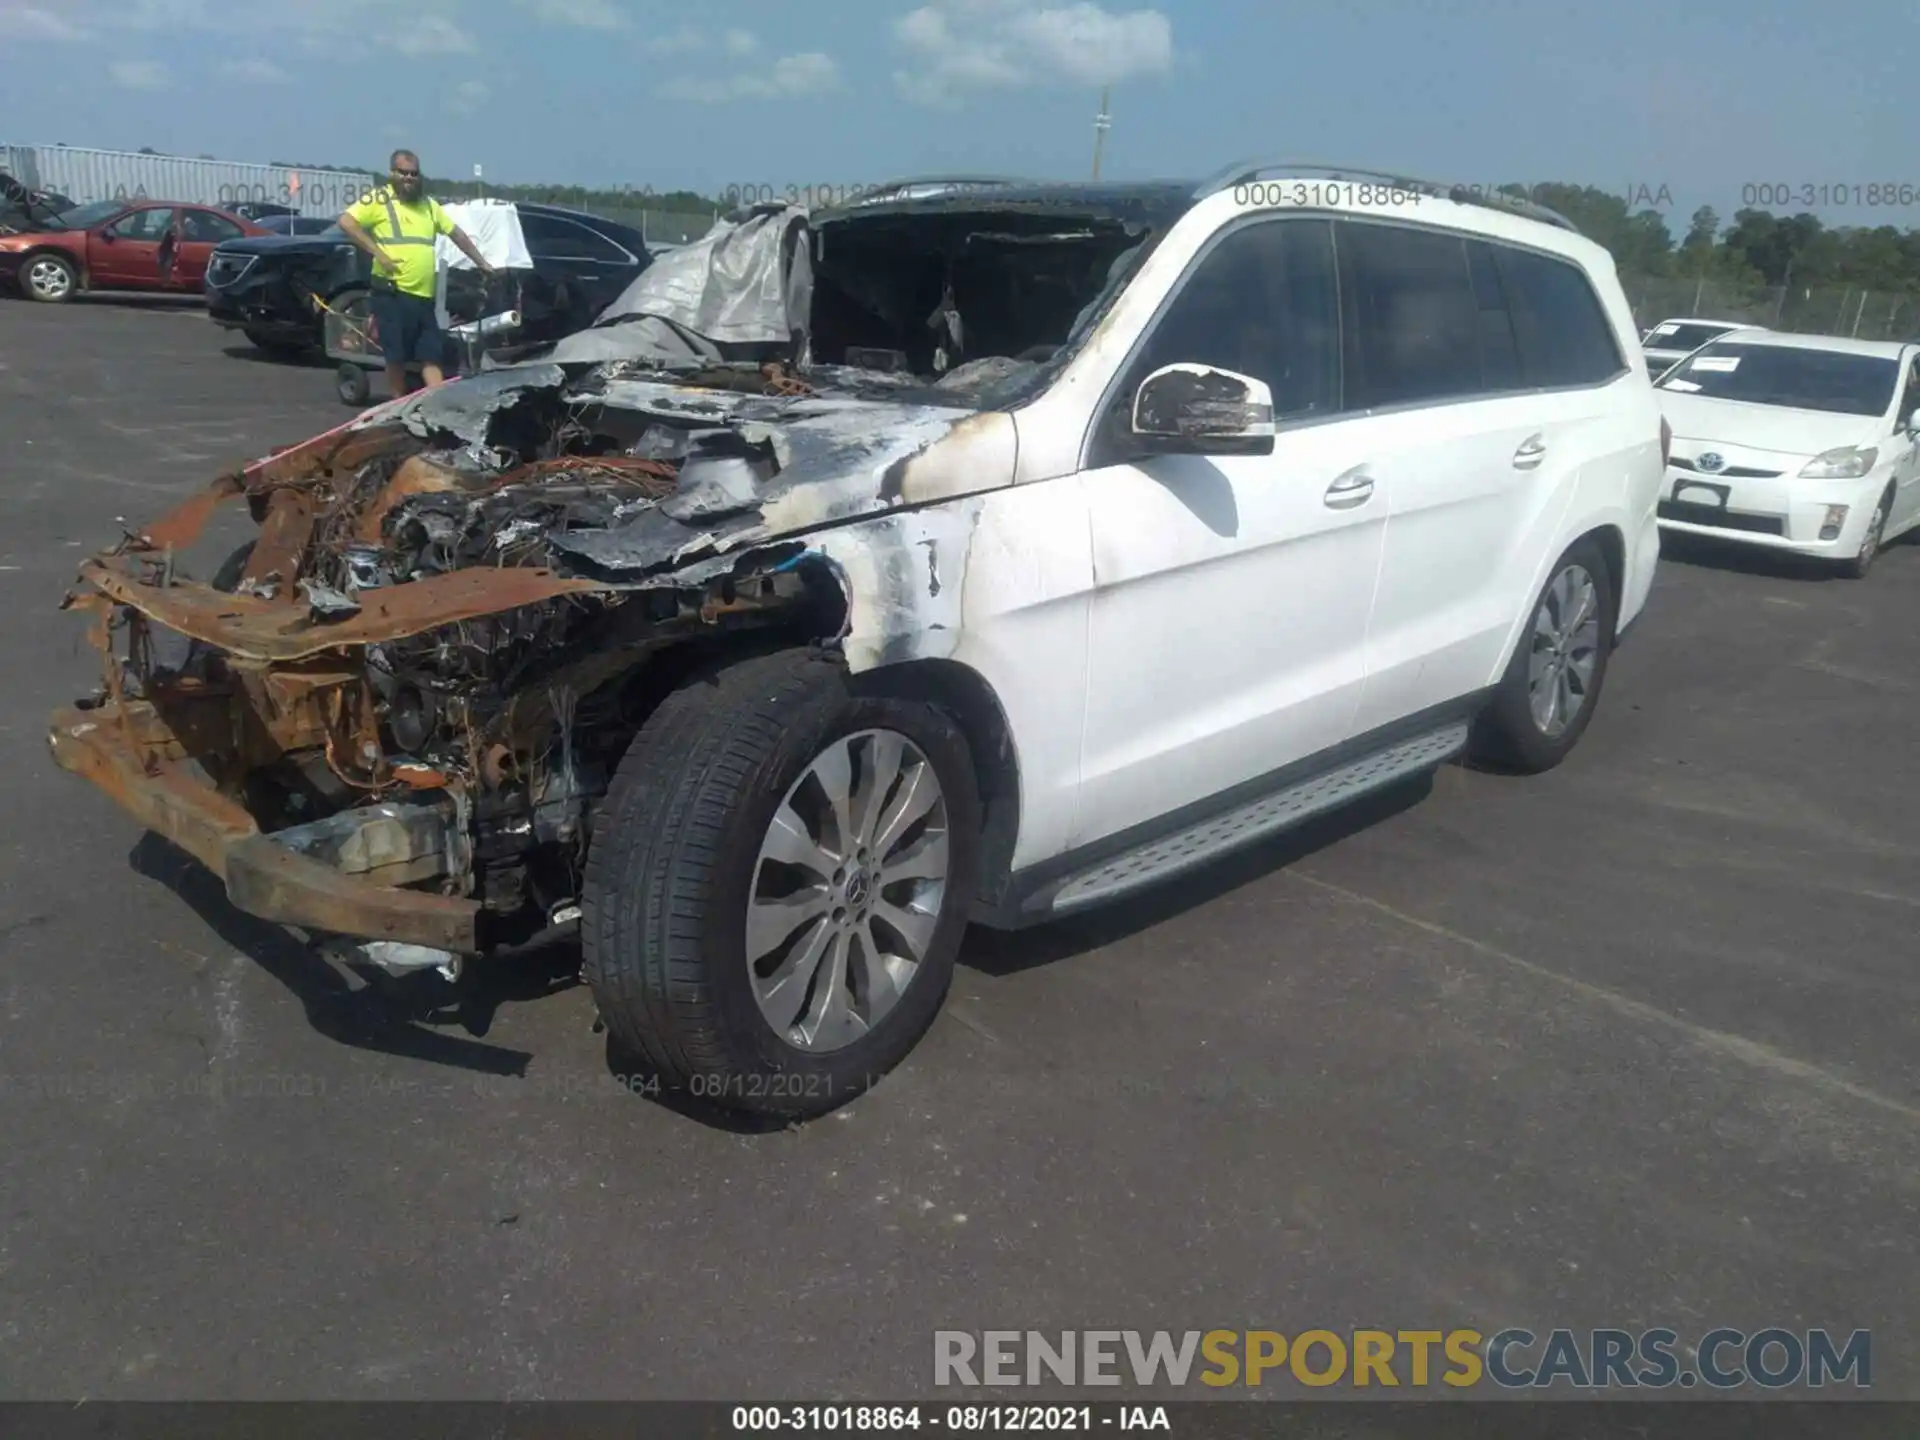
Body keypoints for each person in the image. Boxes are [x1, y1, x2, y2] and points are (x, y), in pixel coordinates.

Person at [338, 150, 497, 395]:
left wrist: (482, 262)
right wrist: (378, 253)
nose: (409, 178)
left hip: (423, 296)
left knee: (431, 355)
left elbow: (457, 235)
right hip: (392, 293)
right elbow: (347, 222)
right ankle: (398, 406)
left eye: (414, 174)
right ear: (392, 173)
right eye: (403, 173)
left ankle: (438, 402)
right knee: (396, 356)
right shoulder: (379, 199)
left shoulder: (428, 206)